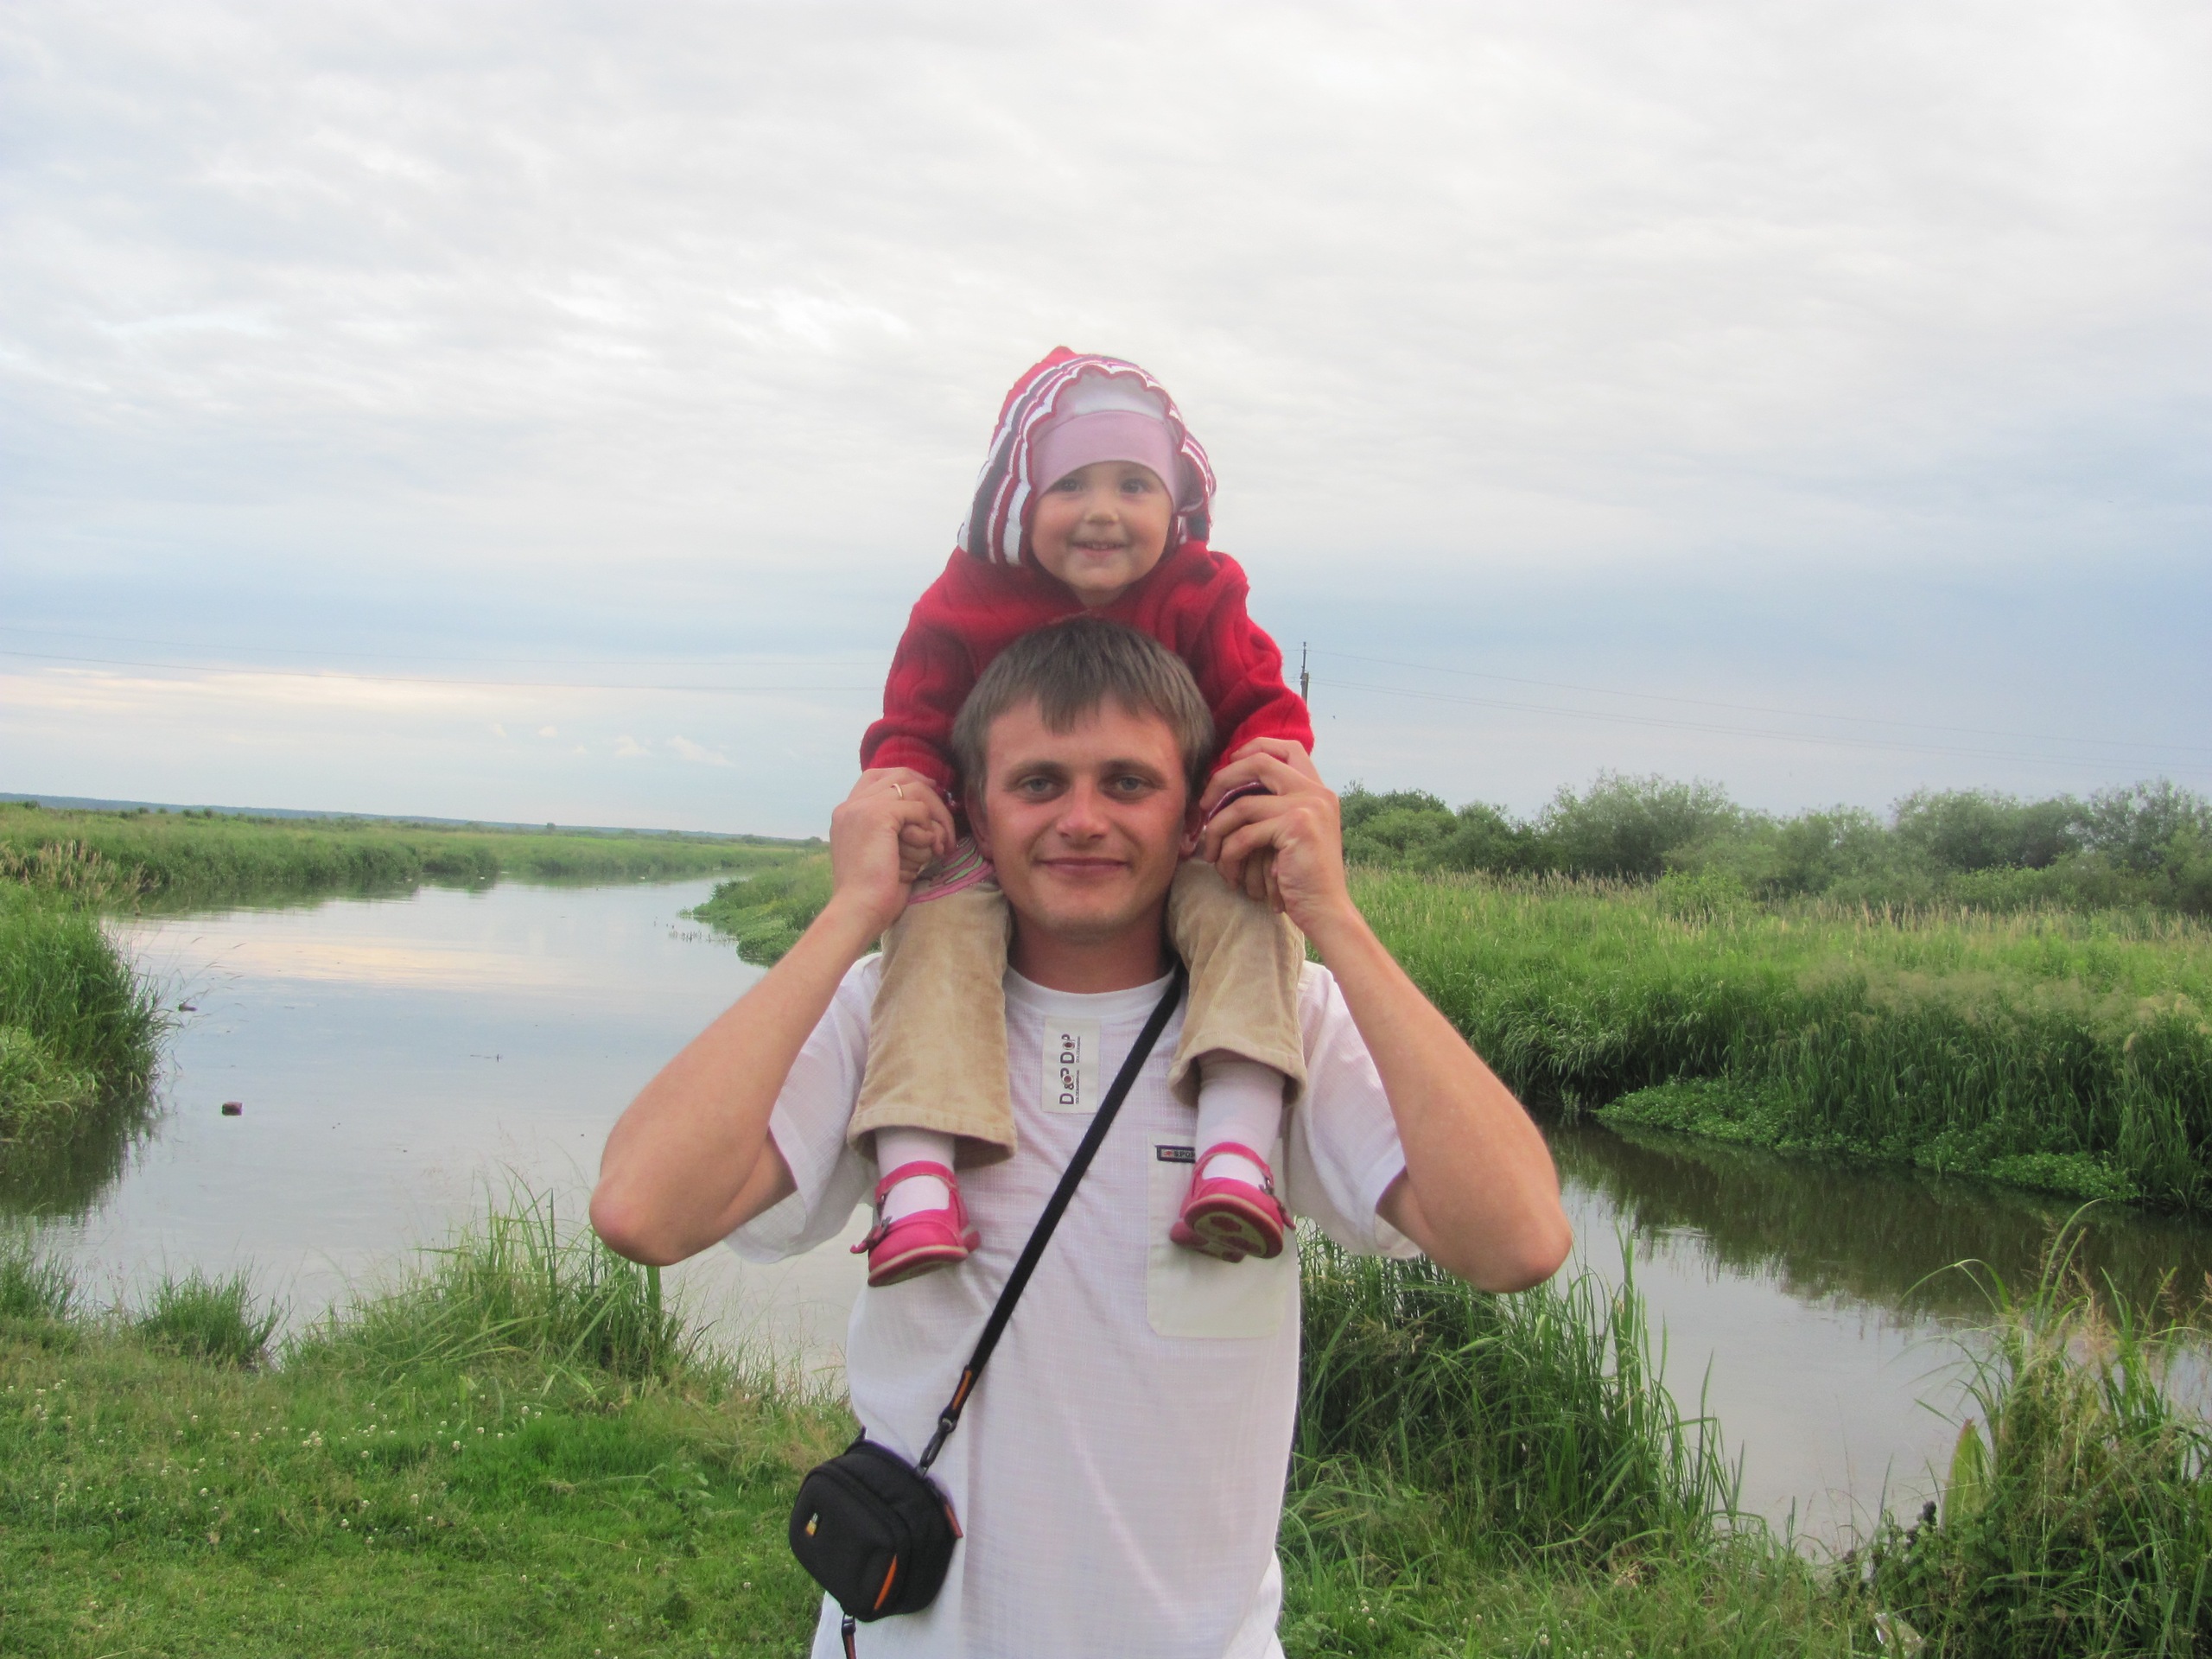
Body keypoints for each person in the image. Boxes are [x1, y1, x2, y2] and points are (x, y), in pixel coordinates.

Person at [591, 617, 1573, 1659]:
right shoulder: (892, 1010)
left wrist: (1329, 914)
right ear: (975, 810)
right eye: (1039, 783)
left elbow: (1515, 1242)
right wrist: (851, 913)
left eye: (1128, 783)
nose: (1083, 820)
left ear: (1193, 813)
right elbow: (643, 1211)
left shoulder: (1286, 1019)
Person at [850, 347, 1315, 1287]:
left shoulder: (1202, 590)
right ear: (1018, 497)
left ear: (1175, 504)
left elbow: (1262, 709)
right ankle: (914, 1181)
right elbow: (913, 723)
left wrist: (1258, 797)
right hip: (987, 847)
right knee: (930, 935)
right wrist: (906, 798)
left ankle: (1235, 1156)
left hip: (1179, 839)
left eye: (1134, 485)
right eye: (1070, 485)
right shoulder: (963, 597)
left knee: (1250, 918)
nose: (1103, 511)